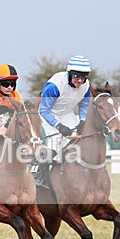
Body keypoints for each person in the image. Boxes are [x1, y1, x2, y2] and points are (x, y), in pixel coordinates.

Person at [35, 55, 92, 186]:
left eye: (83, 77)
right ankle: (39, 173)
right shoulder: (54, 85)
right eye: (77, 76)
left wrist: (82, 120)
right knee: (55, 144)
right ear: (70, 74)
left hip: (67, 113)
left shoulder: (86, 86)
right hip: (48, 114)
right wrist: (59, 126)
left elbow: (84, 104)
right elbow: (44, 110)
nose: (80, 81)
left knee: (78, 140)